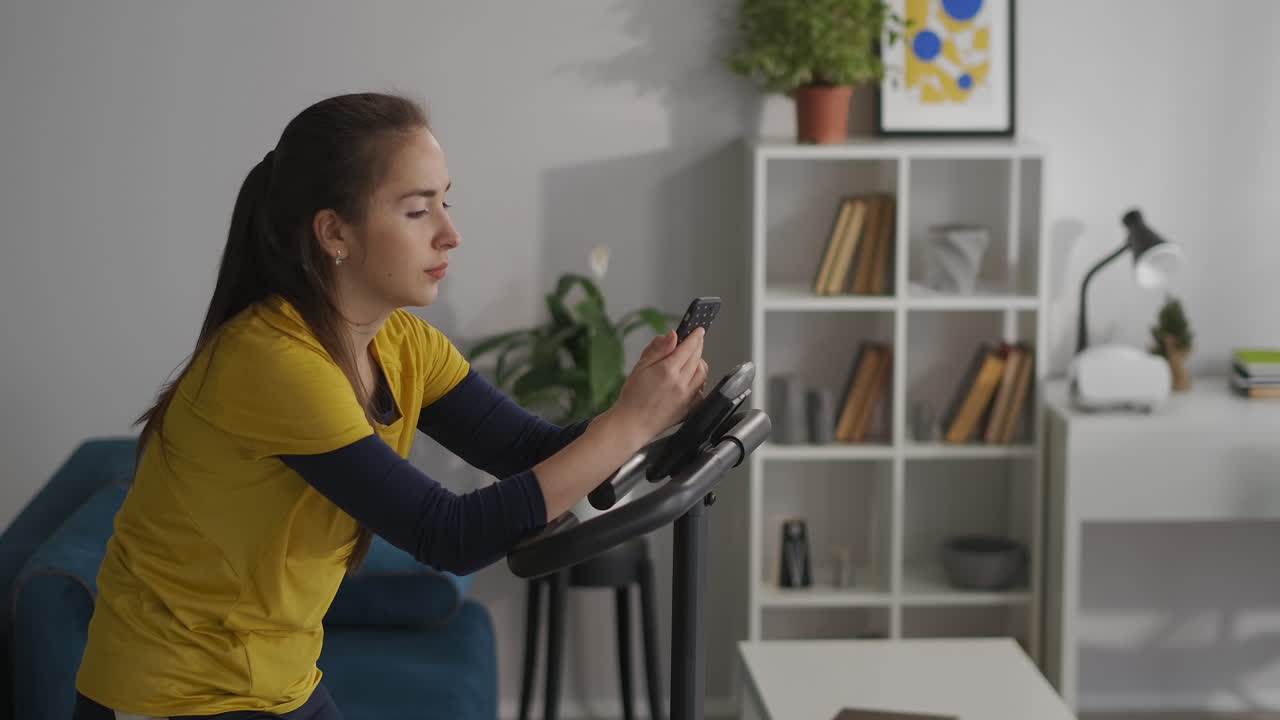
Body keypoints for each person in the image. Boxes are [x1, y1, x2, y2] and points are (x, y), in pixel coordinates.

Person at [72, 92, 707, 720]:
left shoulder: (402, 344)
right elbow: (449, 535)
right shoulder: (271, 362)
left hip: (277, 680)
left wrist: (647, 410)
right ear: (334, 233)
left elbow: (530, 454)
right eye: (416, 211)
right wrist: (629, 424)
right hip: (171, 694)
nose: (450, 234)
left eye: (445, 203)